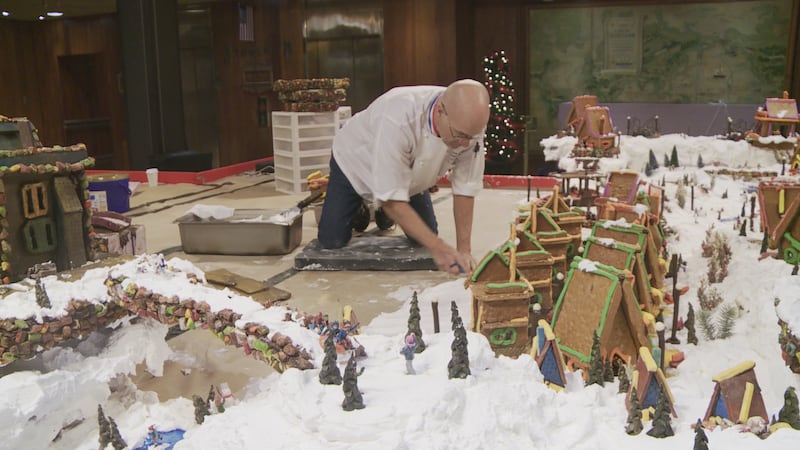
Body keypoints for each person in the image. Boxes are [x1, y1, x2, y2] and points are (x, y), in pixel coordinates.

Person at [318, 79, 490, 274]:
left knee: (424, 237)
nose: (465, 144)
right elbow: (392, 201)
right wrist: (439, 248)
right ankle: (365, 207)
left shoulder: (468, 125)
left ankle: (385, 207)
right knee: (331, 241)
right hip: (354, 163)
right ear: (440, 111)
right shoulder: (398, 116)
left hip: (409, 176)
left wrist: (464, 250)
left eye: (470, 137)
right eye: (460, 135)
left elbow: (465, 187)